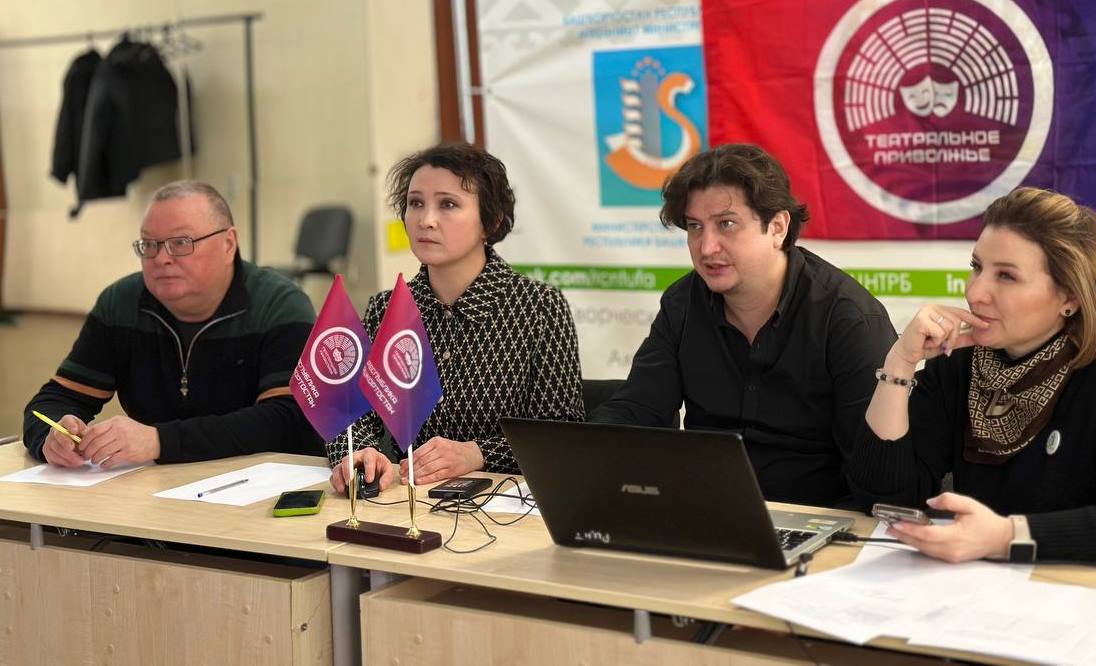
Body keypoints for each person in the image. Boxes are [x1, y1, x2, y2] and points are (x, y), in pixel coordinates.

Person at [849, 186, 1096, 564]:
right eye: (977, 267)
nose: (975, 292)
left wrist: (1006, 537)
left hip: (1088, 586)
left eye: (1006, 276)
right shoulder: (960, 362)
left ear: (1070, 297)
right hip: (981, 586)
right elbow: (883, 499)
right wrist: (899, 364)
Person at [591, 144, 897, 507]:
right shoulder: (682, 303)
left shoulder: (849, 319)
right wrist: (577, 451)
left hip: (818, 516)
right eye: (695, 227)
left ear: (777, 228)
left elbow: (877, 472)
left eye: (727, 224)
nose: (706, 247)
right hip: (707, 511)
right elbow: (641, 407)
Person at [327, 143, 584, 493]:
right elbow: (348, 414)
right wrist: (360, 453)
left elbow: (561, 435)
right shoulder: (386, 308)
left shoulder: (539, 307)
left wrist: (479, 453)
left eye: (448, 204)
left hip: (502, 505)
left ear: (490, 222)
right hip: (404, 502)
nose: (426, 220)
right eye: (416, 203)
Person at [23, 181, 322, 467]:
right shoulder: (121, 304)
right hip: (157, 486)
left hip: (262, 486)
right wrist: (51, 436)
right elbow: (53, 401)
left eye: (181, 243)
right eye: (149, 244)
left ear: (228, 244)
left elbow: (287, 420)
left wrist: (160, 441)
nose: (161, 258)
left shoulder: (280, 306)